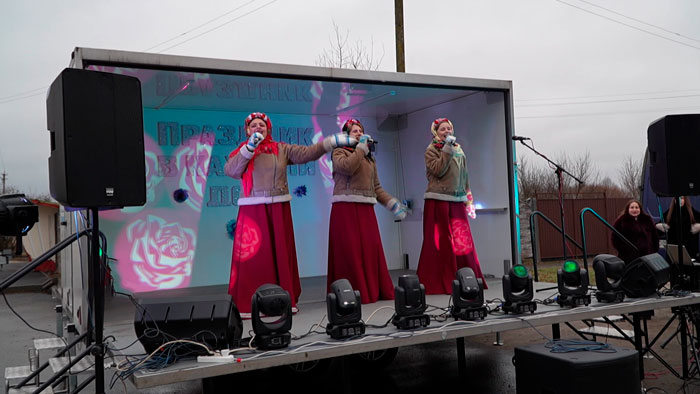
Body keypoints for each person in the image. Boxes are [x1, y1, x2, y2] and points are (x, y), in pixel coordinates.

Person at [225, 112, 356, 317]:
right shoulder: (242, 152)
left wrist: (331, 142)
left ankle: (280, 300)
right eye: (254, 125)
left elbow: (307, 153)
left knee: (280, 254)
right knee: (254, 259)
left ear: (269, 129)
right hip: (252, 211)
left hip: (278, 209)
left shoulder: (281, 149)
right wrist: (249, 148)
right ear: (247, 130)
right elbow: (231, 171)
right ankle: (249, 302)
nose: (258, 128)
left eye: (262, 125)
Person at [326, 119, 408, 304]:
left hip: (366, 209)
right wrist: (361, 149)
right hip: (345, 208)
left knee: (370, 249)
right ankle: (352, 291)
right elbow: (347, 168)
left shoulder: (369, 158)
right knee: (351, 251)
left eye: (360, 130)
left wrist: (392, 204)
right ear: (347, 135)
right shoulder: (339, 151)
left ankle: (372, 288)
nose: (358, 133)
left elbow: (376, 188)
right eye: (354, 131)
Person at [416, 117, 487, 294]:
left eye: (449, 129)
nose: (447, 132)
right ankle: (443, 280)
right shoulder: (431, 149)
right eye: (442, 129)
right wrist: (446, 148)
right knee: (442, 242)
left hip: (457, 200)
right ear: (435, 132)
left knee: (463, 241)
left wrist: (469, 199)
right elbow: (438, 170)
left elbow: (465, 176)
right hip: (438, 200)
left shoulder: (458, 149)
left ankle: (466, 277)